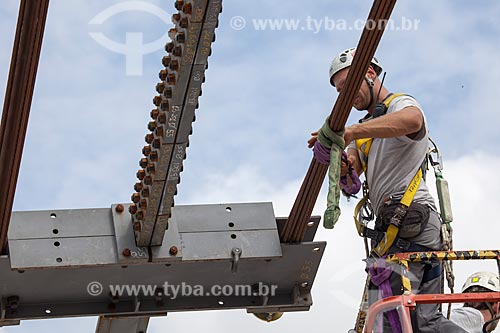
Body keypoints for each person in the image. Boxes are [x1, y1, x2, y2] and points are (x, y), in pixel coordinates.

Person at [308, 47, 467, 332]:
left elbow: (413, 121)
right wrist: (340, 163)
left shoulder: (398, 104)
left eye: (347, 86)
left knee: (389, 321)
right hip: (397, 228)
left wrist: (353, 132)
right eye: (339, 92)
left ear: (369, 73)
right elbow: (351, 181)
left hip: (411, 220)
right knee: (423, 322)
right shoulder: (365, 130)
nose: (344, 97)